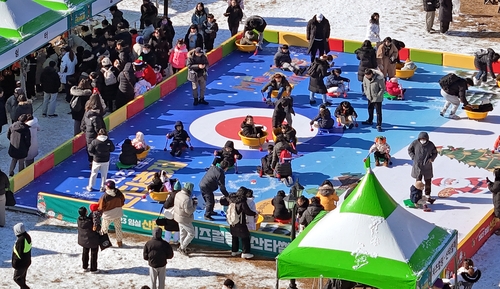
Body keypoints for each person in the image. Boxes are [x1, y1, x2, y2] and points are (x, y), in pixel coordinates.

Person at [408, 132, 438, 204]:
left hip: (427, 165)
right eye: (421, 139)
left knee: (428, 181)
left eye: (424, 139)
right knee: (418, 182)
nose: (422, 140)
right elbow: (410, 150)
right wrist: (413, 157)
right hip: (418, 166)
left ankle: (427, 195)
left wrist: (432, 158)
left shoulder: (430, 145)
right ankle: (417, 195)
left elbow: (435, 152)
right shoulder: (415, 143)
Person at [228, 187, 257, 259]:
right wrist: (254, 214)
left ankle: (234, 251)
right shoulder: (242, 201)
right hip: (240, 222)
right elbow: (247, 211)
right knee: (245, 237)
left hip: (232, 221)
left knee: (234, 236)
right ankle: (245, 253)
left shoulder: (232, 199)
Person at [81, 93, 106, 165]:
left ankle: (91, 162)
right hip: (95, 136)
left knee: (90, 148)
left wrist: (86, 131)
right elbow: (98, 129)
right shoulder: (96, 116)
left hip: (88, 134)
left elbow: (82, 124)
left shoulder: (87, 112)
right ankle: (95, 163)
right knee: (97, 149)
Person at [98, 180, 125, 247]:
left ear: (108, 187)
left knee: (104, 229)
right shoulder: (118, 192)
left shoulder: (105, 196)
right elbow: (123, 200)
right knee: (118, 228)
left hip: (108, 215)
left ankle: (105, 243)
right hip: (118, 213)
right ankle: (119, 242)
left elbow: (101, 207)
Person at [173, 182, 196, 256]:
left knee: (182, 233)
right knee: (191, 233)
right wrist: (194, 204)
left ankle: (182, 246)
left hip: (178, 217)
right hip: (185, 218)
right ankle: (182, 247)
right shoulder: (186, 199)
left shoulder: (178, 194)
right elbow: (189, 211)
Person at [77, 206, 100, 273]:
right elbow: (97, 228)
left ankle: (85, 267)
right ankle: (93, 269)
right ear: (86, 212)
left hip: (83, 240)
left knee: (85, 253)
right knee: (94, 254)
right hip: (93, 240)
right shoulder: (89, 221)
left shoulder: (79, 220)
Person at [12, 223, 32, 289]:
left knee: (16, 278)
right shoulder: (27, 236)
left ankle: (25, 288)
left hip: (21, 264)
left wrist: (15, 264)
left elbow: (19, 254)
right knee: (22, 278)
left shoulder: (21, 240)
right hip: (26, 261)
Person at [486, 168, 500, 234]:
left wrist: (489, 184)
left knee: (499, 214)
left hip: (499, 201)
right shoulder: (497, 182)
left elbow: (493, 189)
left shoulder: (498, 182)